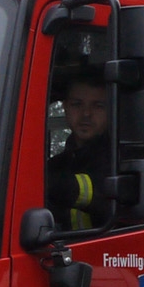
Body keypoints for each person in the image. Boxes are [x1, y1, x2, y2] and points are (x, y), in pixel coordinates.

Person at [45, 73, 112, 231]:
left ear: (112, 109)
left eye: (98, 106)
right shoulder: (54, 166)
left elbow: (100, 194)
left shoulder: (122, 160)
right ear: (65, 107)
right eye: (77, 104)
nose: (86, 114)